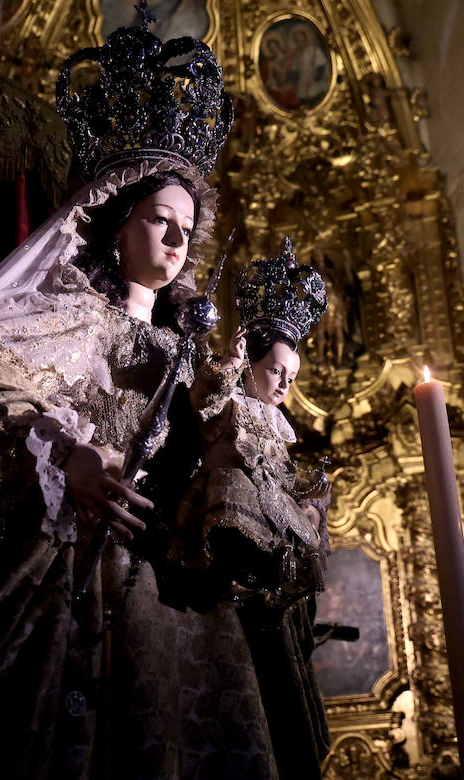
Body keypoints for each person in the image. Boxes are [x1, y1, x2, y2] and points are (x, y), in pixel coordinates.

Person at [0, 18, 277, 779]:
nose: (175, 242)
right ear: (117, 221)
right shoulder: (63, 317)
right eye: (158, 220)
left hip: (160, 591)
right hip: (67, 572)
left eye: (186, 229)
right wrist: (66, 456)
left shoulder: (191, 360)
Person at [166, 237, 334, 779]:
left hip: (271, 550)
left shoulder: (281, 431)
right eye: (278, 370)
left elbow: (282, 489)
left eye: (293, 375)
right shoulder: (232, 400)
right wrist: (226, 366)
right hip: (223, 522)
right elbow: (204, 404)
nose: (286, 383)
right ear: (253, 359)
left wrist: (310, 508)